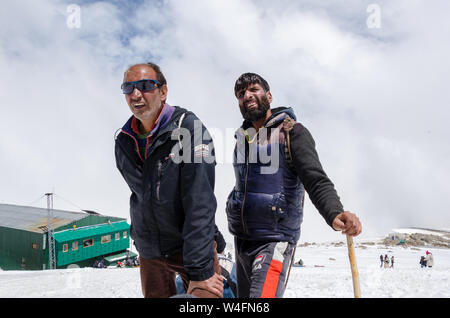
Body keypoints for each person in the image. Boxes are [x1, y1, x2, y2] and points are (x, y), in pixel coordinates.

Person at [226, 73, 362, 298]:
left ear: (268, 96)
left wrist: (334, 212)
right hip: (241, 240)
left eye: (253, 90)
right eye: (241, 94)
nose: (247, 96)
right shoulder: (242, 140)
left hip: (275, 239)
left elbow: (315, 178)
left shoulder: (291, 132)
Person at [115, 63, 223, 298]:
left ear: (163, 92)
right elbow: (143, 195)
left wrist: (201, 270)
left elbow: (200, 200)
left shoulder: (189, 129)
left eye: (144, 86)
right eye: (128, 88)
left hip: (190, 248)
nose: (135, 94)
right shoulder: (124, 141)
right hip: (150, 251)